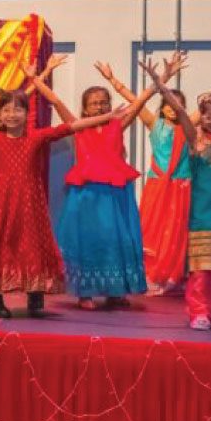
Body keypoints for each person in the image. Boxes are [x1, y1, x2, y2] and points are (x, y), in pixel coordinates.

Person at [0, 83, 129, 318]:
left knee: (33, 245)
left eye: (17, 109)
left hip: (31, 202)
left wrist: (107, 118)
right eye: (6, 110)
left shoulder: (36, 137)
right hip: (1, 202)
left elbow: (71, 126)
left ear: (27, 113)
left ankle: (35, 293)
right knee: (0, 246)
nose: (12, 115)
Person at [30, 59, 174, 309]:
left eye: (103, 103)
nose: (99, 107)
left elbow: (139, 102)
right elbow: (56, 101)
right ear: (85, 110)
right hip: (86, 195)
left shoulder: (118, 124)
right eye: (94, 104)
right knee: (88, 240)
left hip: (114, 193)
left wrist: (160, 80)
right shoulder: (78, 127)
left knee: (115, 239)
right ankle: (85, 293)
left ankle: (115, 291)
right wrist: (35, 78)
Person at [95, 54, 211, 294]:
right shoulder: (153, 124)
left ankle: (173, 276)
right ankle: (151, 273)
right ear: (162, 107)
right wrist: (112, 79)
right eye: (168, 104)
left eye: (177, 104)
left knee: (176, 232)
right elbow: (134, 100)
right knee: (151, 228)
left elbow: (207, 106)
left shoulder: (187, 125)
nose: (172, 108)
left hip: (181, 185)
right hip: (157, 185)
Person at [143, 60, 211, 330]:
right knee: (203, 269)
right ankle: (200, 311)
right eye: (209, 117)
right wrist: (160, 85)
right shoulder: (196, 140)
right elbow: (179, 110)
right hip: (204, 215)